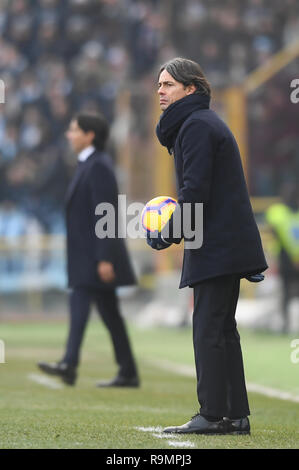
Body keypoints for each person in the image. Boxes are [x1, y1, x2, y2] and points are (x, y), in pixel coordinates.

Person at [147, 58, 268, 435]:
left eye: (168, 84)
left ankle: (212, 414)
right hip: (224, 242)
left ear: (191, 89)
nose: (160, 91)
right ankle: (234, 415)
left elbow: (194, 194)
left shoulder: (196, 126)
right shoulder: (200, 123)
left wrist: (165, 234)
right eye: (159, 85)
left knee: (208, 330)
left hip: (218, 245)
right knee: (222, 328)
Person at [38, 113, 139, 388]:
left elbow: (106, 214)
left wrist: (105, 257)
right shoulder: (88, 165)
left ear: (89, 134)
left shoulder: (98, 166)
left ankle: (69, 364)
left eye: (74, 130)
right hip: (88, 255)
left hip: (94, 256)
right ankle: (128, 371)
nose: (69, 135)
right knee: (109, 314)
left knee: (80, 302)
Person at [266, 182, 299, 333]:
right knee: (285, 292)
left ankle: (286, 323)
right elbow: (276, 234)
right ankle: (284, 324)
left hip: (291, 258)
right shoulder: (277, 212)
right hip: (285, 257)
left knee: (287, 292)